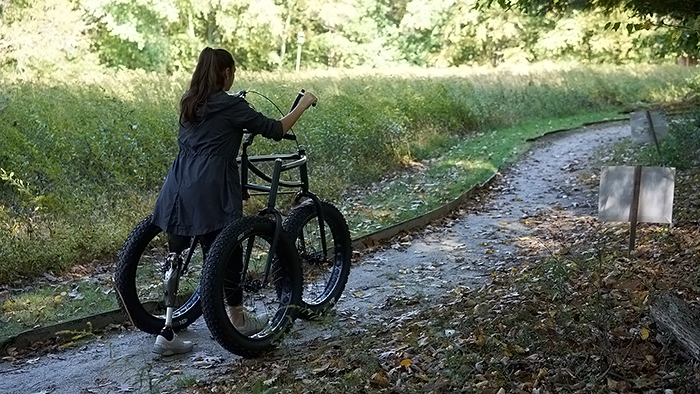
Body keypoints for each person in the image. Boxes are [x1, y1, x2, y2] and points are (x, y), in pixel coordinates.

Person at [149, 47, 317, 356]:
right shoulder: (230, 106)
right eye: (233, 71)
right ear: (226, 74)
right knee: (228, 253)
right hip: (211, 186)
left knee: (175, 257)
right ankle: (236, 321)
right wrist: (304, 103)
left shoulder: (189, 102)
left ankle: (167, 331)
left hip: (177, 184)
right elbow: (276, 129)